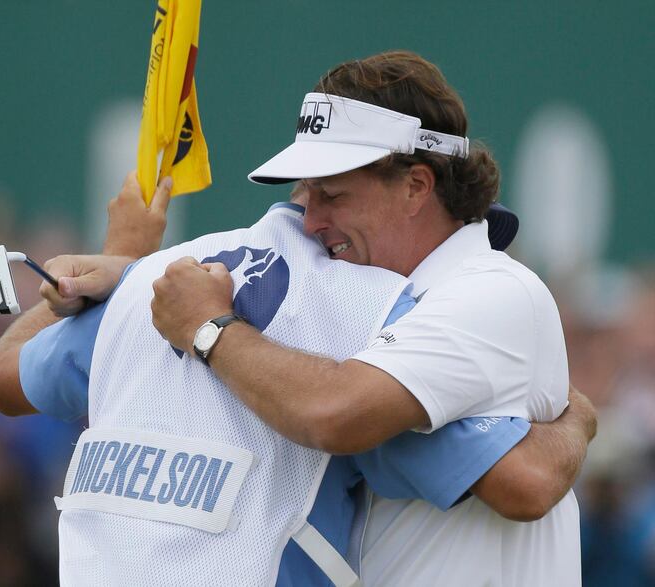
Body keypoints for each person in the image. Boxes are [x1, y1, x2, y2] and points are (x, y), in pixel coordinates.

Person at [0, 171, 594, 585]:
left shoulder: (156, 283)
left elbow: (2, 375)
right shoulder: (364, 330)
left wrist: (132, 263)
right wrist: (577, 417)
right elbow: (528, 481)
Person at [147, 51, 583, 585]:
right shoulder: (367, 290)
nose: (309, 223)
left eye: (332, 195)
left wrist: (209, 326)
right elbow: (525, 477)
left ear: (417, 187)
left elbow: (333, 410)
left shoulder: (492, 288)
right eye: (304, 197)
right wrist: (126, 272)